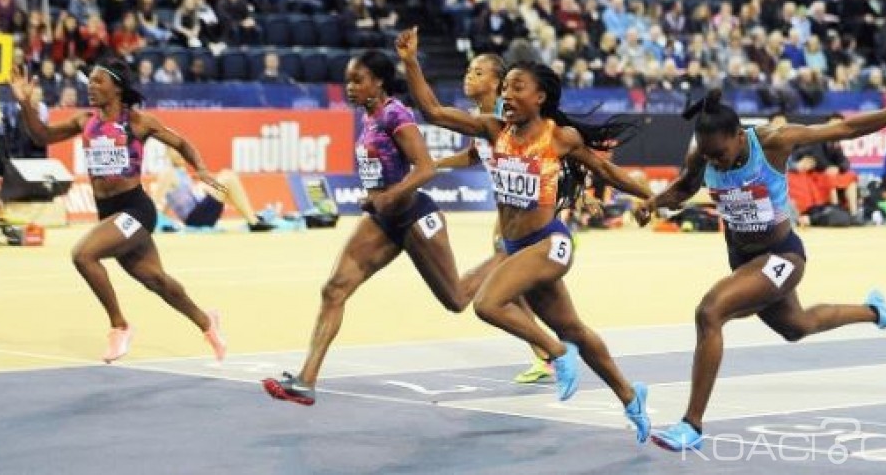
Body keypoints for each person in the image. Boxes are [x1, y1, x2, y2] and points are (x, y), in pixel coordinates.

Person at [397, 27, 655, 444]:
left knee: (486, 303)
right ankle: (630, 396)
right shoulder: (493, 130)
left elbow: (606, 171)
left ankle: (554, 354)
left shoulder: (559, 137)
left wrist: (651, 197)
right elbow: (433, 111)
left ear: (540, 98)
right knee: (574, 328)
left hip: (550, 243)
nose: (509, 94)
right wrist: (410, 61)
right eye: (507, 87)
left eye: (518, 87)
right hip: (518, 247)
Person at [644, 84, 886, 452]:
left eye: (719, 153)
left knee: (710, 312)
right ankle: (876, 311)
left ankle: (692, 425)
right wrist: (654, 202)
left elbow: (846, 130)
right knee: (797, 326)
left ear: (738, 136)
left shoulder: (774, 142)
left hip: (783, 256)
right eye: (708, 156)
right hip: (745, 261)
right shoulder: (704, 151)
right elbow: (685, 187)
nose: (714, 162)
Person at [262, 50, 479, 405]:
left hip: (414, 218)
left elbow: (424, 169)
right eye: (347, 80)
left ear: (377, 82)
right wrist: (374, 199)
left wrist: (387, 196)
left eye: (357, 80)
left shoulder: (397, 114)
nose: (350, 87)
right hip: (382, 221)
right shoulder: (369, 117)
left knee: (456, 299)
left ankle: (503, 259)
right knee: (334, 289)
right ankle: (305, 380)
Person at [9, 60, 226, 364]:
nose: (91, 86)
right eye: (89, 81)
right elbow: (41, 136)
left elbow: (181, 143)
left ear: (118, 87)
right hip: (110, 213)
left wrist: (200, 168)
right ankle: (207, 322)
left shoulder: (139, 123)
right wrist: (25, 104)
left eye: (98, 81)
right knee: (157, 281)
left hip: (135, 209)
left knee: (83, 255)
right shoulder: (84, 121)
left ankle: (119, 326)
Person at [429, 52, 555, 384]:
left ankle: (553, 352)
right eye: (468, 70)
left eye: (478, 72)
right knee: (518, 290)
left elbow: (548, 152)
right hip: (505, 217)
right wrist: (437, 164)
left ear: (497, 83)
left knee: (499, 289)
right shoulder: (482, 119)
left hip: (528, 220)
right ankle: (546, 353)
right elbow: (476, 154)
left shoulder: (507, 119)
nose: (468, 76)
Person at [150, 147, 275, 232]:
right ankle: (253, 220)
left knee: (227, 180)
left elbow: (170, 201)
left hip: (199, 214)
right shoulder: (167, 173)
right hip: (195, 219)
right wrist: (160, 224)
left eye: (181, 150)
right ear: (167, 154)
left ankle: (252, 218)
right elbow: (154, 201)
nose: (179, 153)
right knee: (227, 176)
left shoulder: (182, 173)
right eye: (174, 150)